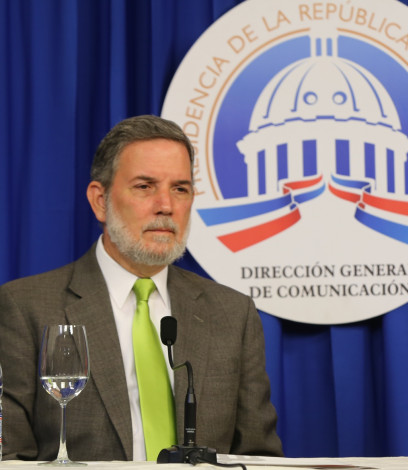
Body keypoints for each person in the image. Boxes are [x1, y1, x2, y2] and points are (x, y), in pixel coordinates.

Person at [0, 115, 283, 461]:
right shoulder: (24, 307)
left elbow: (259, 457)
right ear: (100, 200)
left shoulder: (232, 313)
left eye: (180, 189)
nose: (166, 206)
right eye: (145, 186)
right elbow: (10, 456)